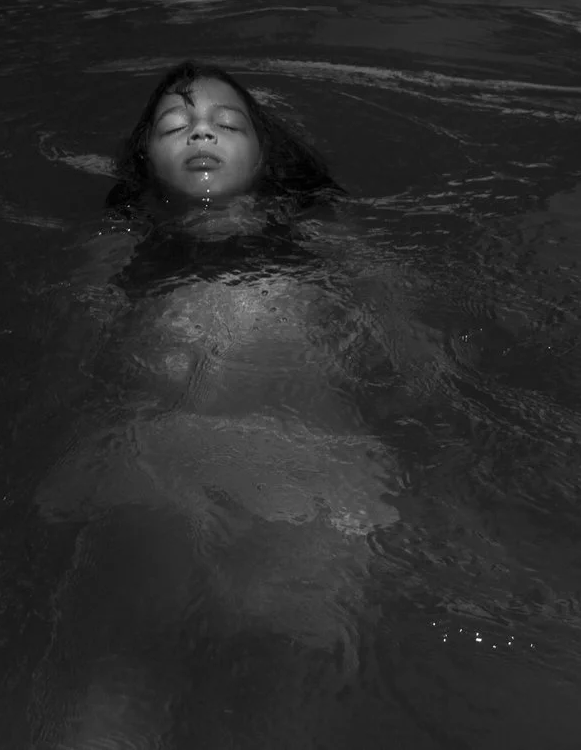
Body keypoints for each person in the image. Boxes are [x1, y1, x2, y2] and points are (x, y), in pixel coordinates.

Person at [31, 63, 403, 749]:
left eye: (227, 124)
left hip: (301, 466)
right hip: (161, 466)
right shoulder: (116, 248)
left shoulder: (322, 238)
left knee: (282, 683)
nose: (200, 128)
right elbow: (72, 357)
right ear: (145, 161)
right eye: (175, 125)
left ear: (267, 156)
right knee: (114, 677)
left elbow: (397, 337)